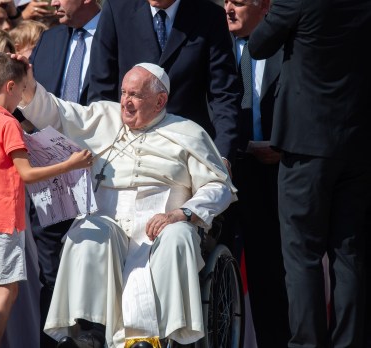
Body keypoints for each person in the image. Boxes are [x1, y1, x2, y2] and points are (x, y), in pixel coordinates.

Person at [17, 57, 236, 347]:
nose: (125, 102)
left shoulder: (189, 133)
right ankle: (92, 333)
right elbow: (58, 113)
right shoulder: (104, 118)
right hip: (110, 217)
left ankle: (170, 337)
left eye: (135, 95)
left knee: (178, 238)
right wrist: (27, 84)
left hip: (162, 223)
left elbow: (218, 185)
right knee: (88, 230)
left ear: (160, 101)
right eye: (123, 93)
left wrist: (182, 214)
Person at [248, 1, 371, 347]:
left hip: (306, 146)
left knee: (302, 254)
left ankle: (307, 343)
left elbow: (257, 45)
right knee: (349, 254)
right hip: (356, 143)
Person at [0, 53, 92, 348]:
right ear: (10, 86)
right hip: (3, 219)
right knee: (6, 291)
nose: (23, 97)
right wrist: (70, 165)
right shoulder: (8, 124)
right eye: (23, 90)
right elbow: (27, 174)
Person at [26, 0, 100, 346]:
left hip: (99, 175)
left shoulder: (115, 37)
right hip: (50, 174)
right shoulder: (51, 39)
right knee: (51, 275)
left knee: (93, 273)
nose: (52, 2)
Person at [87, 0, 240, 164]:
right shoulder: (117, 9)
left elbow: (224, 95)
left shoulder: (209, 16)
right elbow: (101, 91)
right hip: (126, 150)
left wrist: (222, 155)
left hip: (187, 152)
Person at [223, 0, 289, 346]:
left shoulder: (288, 44)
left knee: (269, 276)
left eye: (239, 2)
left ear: (264, 6)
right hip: (224, 174)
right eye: (227, 1)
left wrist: (285, 144)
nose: (229, 8)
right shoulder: (217, 45)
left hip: (273, 175)